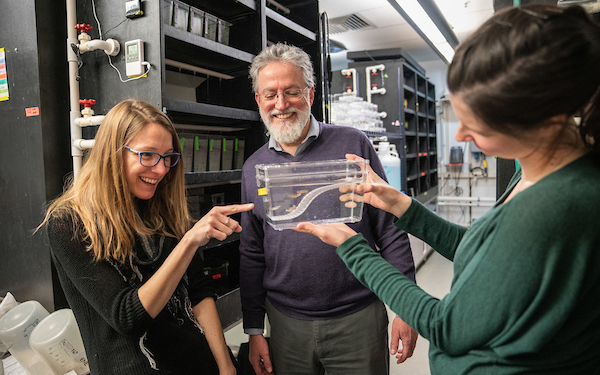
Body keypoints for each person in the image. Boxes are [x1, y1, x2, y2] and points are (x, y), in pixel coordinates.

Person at [295, 4, 600, 375]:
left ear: (544, 119)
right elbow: (484, 254)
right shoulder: (539, 174)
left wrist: (353, 248)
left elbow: (447, 327)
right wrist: (405, 208)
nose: (459, 136)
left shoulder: (553, 207)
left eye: (478, 126)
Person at [239, 43, 418, 375]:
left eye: (291, 92)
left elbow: (391, 229)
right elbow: (252, 252)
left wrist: (406, 307)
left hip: (357, 318)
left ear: (310, 93)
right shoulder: (253, 168)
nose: (280, 104)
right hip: (286, 323)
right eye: (270, 95)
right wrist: (254, 331)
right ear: (258, 100)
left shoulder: (353, 144)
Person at [40, 99, 254, 374]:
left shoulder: (162, 211)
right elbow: (127, 316)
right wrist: (189, 241)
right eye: (148, 155)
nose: (162, 169)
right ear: (113, 153)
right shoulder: (69, 223)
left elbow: (199, 292)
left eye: (167, 157)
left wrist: (226, 366)